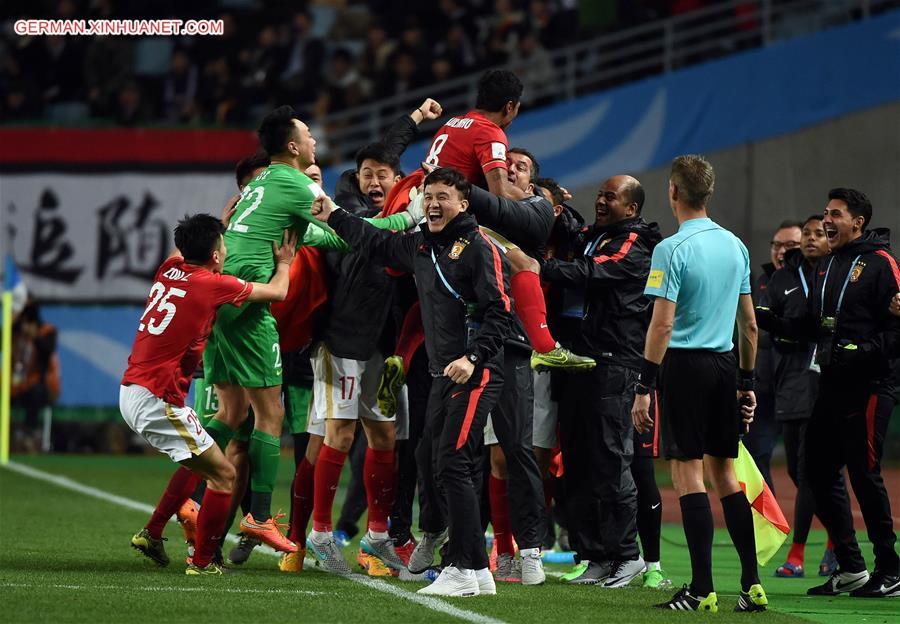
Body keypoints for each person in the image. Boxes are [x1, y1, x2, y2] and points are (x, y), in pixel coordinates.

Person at [313, 167, 515, 597]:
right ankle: (476, 570)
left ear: (464, 204)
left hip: (475, 373)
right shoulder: (423, 246)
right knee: (431, 459)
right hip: (442, 373)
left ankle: (462, 567)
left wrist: (473, 356)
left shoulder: (480, 248)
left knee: (453, 463)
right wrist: (332, 214)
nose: (435, 203)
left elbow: (501, 312)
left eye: (445, 196)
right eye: (430, 197)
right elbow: (376, 241)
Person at [632, 155, 767, 612]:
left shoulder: (670, 249)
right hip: (726, 364)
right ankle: (751, 585)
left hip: (685, 368)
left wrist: (644, 385)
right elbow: (749, 325)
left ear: (673, 191)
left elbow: (661, 326)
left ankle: (702, 589)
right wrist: (746, 381)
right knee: (725, 474)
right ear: (707, 193)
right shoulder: (737, 246)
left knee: (687, 473)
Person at [126, 213, 297, 575]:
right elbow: (279, 292)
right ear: (218, 254)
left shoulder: (167, 269)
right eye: (223, 243)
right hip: (158, 401)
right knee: (224, 475)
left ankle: (153, 532)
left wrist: (219, 220)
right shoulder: (211, 284)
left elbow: (182, 250)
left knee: (205, 460)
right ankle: (202, 562)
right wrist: (283, 262)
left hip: (132, 390)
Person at [411, 147, 550, 586]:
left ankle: (527, 551)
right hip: (460, 355)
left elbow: (528, 267)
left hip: (503, 348)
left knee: (514, 449)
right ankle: (455, 544)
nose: (507, 173)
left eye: (518, 169)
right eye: (502, 167)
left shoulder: (533, 211)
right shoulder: (451, 224)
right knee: (449, 453)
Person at [757, 188, 900, 598]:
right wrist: (770, 320)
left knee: (864, 475)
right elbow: (813, 326)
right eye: (825, 213)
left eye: (835, 214)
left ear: (857, 222)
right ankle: (852, 568)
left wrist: (864, 351)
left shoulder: (882, 264)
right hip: (832, 385)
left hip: (871, 386)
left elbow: (896, 330)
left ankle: (890, 567)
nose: (827, 220)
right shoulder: (827, 265)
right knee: (814, 471)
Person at [416, 69, 594, 372]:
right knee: (527, 264)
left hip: (423, 209)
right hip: (446, 216)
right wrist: (538, 197)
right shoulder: (490, 131)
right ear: (511, 107)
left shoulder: (453, 123)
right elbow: (500, 192)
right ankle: (545, 347)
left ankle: (402, 354)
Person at [540, 175, 662, 588]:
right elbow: (574, 231)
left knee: (611, 459)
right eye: (600, 194)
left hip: (615, 361)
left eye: (611, 196)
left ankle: (627, 556)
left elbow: (592, 272)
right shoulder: (599, 234)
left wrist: (538, 266)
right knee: (575, 460)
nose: (601, 200)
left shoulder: (634, 243)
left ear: (631, 208)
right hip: (580, 359)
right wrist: (551, 201)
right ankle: (592, 553)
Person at [763, 215, 838, 579]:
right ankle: (839, 538)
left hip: (827, 386)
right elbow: (772, 325)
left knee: (813, 473)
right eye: (806, 234)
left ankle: (798, 554)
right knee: (797, 469)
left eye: (817, 234)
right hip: (790, 382)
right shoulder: (783, 278)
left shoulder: (838, 274)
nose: (810, 239)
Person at [747, 220, 802, 491]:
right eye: (777, 245)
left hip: (798, 387)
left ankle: (835, 531)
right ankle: (767, 529)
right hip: (763, 387)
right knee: (756, 455)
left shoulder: (813, 281)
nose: (782, 251)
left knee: (803, 466)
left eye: (791, 245)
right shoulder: (763, 281)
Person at [10, 301, 60, 452]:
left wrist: (34, 336)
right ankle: (11, 435)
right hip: (19, 385)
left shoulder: (47, 332)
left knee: (36, 392)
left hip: (44, 387)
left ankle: (29, 433)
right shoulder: (17, 334)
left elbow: (47, 351)